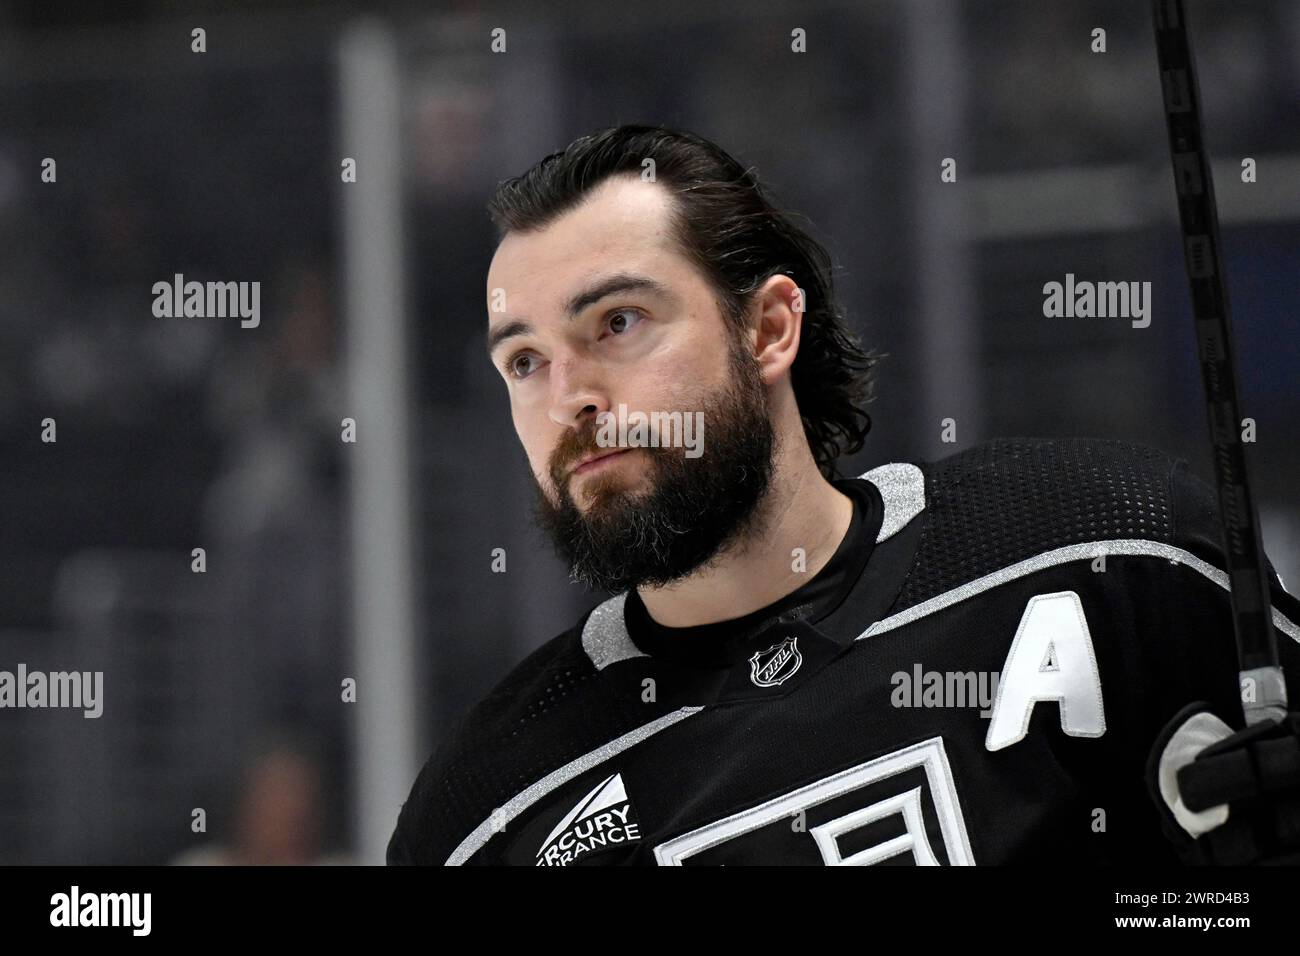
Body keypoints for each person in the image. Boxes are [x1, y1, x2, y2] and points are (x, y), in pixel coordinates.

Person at [388, 125, 1300, 866]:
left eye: (618, 322)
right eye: (525, 361)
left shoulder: (1105, 551)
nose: (569, 397)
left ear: (770, 328)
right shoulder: (487, 815)